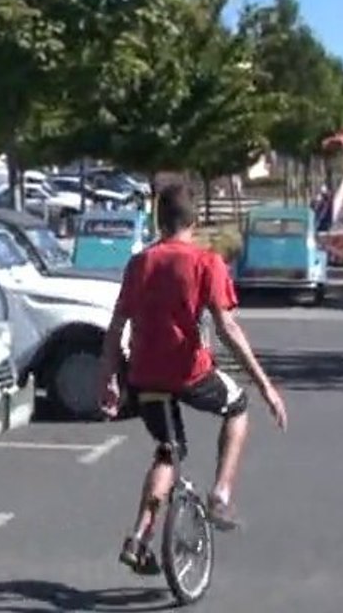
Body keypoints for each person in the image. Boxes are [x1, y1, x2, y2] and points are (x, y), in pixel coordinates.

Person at [98, 182, 288, 575]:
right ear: (195, 220)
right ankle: (220, 494)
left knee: (168, 453)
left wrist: (110, 379)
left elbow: (116, 327)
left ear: (158, 219)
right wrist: (266, 385)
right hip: (191, 373)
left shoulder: (139, 264)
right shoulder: (206, 263)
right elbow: (227, 329)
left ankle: (138, 538)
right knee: (237, 407)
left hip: (144, 374)